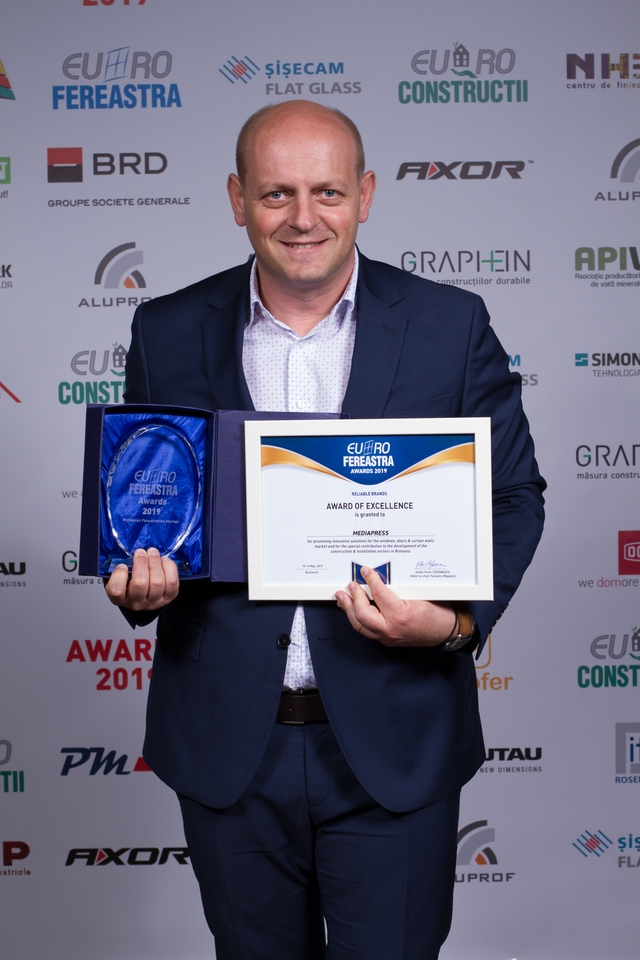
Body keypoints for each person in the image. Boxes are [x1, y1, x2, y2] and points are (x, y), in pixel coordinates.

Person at [105, 100, 545, 959]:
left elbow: (514, 494)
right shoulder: (165, 328)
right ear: (237, 198)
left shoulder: (450, 323)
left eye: (327, 192)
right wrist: (138, 581)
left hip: (396, 733)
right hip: (230, 740)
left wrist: (454, 621)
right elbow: (146, 505)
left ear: (365, 195)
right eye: (277, 193)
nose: (303, 218)